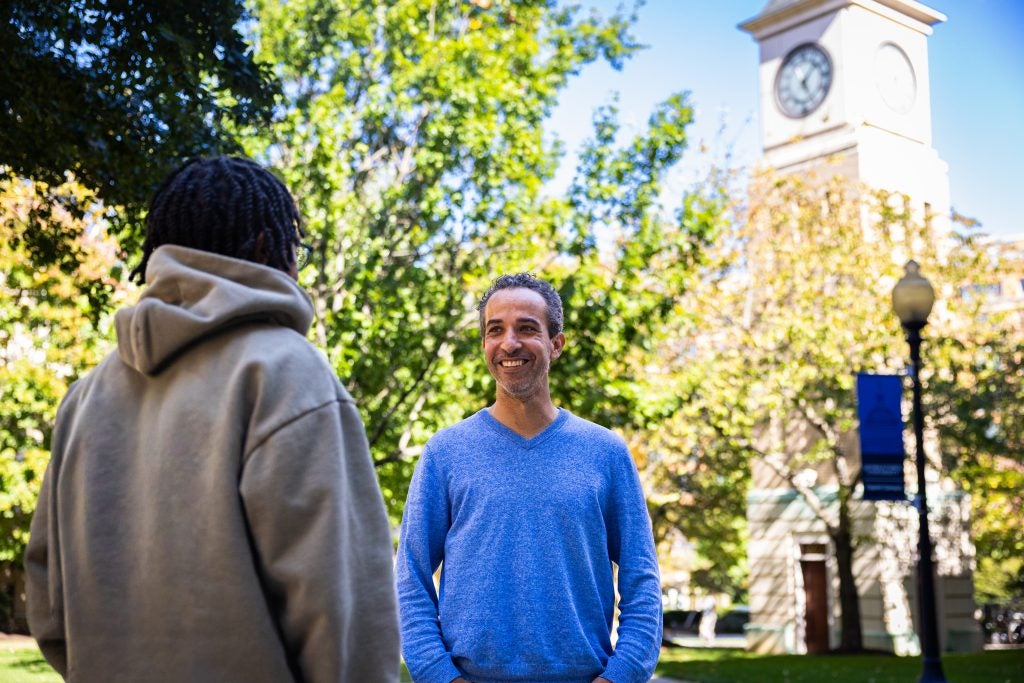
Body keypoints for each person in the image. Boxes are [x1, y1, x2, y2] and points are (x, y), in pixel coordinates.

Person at [25, 156, 400, 682]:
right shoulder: (286, 374)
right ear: (270, 249)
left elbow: (48, 607)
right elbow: (346, 621)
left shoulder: (84, 400)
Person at [396, 273, 662, 683]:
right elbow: (409, 577)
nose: (509, 343)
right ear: (484, 344)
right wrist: (438, 675)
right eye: (495, 330)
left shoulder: (606, 453)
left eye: (527, 328)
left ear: (556, 343)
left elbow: (642, 581)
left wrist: (622, 676)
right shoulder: (444, 453)